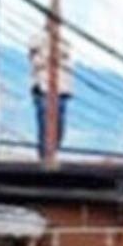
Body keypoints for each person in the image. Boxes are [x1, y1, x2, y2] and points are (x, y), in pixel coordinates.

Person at [28, 27, 73, 157]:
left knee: (59, 127)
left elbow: (68, 65)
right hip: (43, 89)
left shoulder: (64, 41)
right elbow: (35, 61)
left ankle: (51, 153)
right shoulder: (37, 39)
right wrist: (51, 56)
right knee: (45, 126)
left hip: (61, 90)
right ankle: (45, 156)